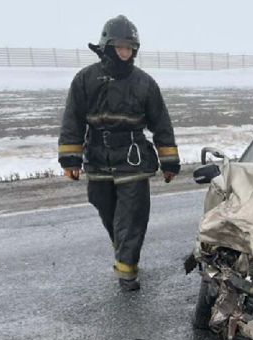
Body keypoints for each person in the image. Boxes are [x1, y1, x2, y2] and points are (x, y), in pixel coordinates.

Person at [58, 15, 180, 292]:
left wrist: (169, 161)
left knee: (132, 216)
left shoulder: (144, 83)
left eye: (130, 47)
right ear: (107, 45)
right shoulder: (85, 79)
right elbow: (72, 120)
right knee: (106, 209)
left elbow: (161, 122)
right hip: (97, 157)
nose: (126, 52)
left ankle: (127, 271)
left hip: (133, 158)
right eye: (121, 46)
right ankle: (124, 249)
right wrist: (70, 158)